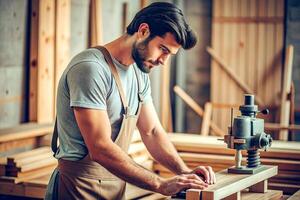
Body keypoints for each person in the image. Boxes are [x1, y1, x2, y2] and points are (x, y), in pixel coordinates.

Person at [45, 2, 216, 199]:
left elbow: (151, 131)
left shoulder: (138, 72)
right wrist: (160, 184)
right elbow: (100, 147)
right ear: (143, 31)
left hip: (116, 187)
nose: (163, 61)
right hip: (76, 189)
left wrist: (184, 172)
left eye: (169, 54)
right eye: (163, 49)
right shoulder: (91, 69)